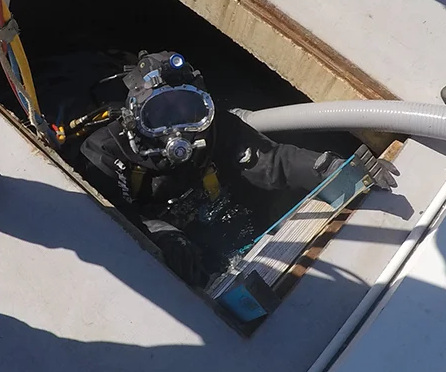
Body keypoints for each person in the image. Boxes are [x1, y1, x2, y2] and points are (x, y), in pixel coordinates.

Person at [79, 51, 399, 286]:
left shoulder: (216, 129)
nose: (179, 130)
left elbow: (274, 162)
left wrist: (333, 169)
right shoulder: (105, 152)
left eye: (189, 111)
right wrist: (162, 235)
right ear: (135, 118)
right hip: (161, 220)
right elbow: (110, 215)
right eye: (160, 115)